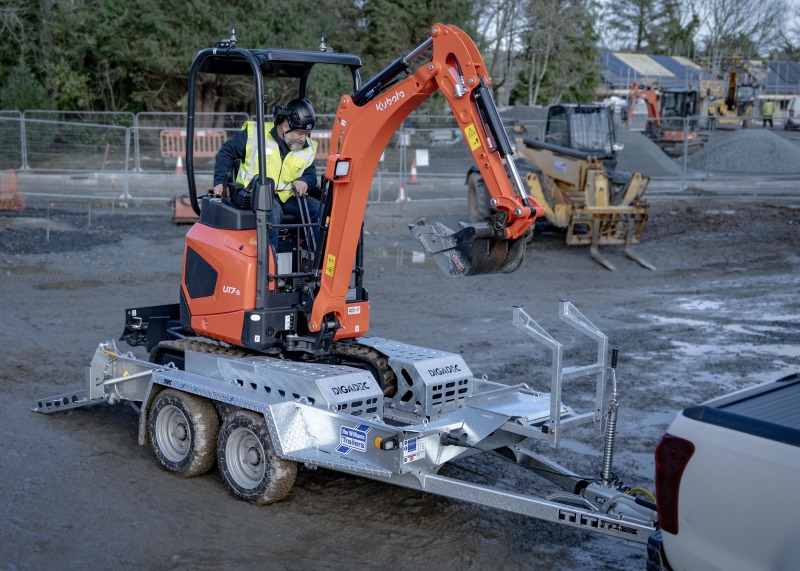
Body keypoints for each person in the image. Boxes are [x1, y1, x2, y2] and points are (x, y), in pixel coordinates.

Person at [213, 98, 320, 253]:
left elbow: (310, 174)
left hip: (288, 197)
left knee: (319, 210)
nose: (304, 138)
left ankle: (311, 262)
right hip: (253, 196)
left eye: (307, 133)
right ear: (285, 126)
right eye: (300, 133)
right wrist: (219, 182)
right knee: (272, 213)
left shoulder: (307, 147)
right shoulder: (255, 135)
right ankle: (271, 268)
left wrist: (304, 181)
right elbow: (226, 152)